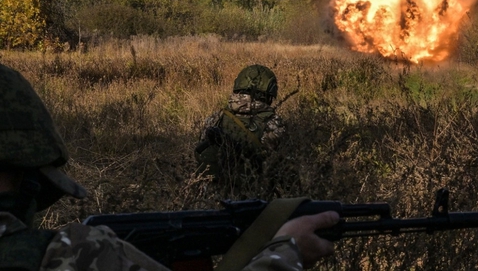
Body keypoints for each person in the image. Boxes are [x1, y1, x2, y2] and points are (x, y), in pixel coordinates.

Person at [0, 63, 337, 271]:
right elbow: (281, 165)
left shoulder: (216, 117)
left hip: (210, 191)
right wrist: (286, 252)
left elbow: (199, 155)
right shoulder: (64, 255)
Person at [195, 64, 286, 195]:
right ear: (268, 92)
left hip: (210, 196)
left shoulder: (216, 118)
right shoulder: (274, 123)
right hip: (252, 196)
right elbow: (276, 166)